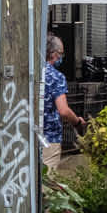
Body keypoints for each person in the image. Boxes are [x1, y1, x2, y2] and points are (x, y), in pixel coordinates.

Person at [42, 34, 86, 172]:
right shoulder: (56, 77)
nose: (61, 57)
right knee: (47, 178)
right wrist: (77, 122)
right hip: (49, 137)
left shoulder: (30, 74)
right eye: (61, 53)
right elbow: (63, 110)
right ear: (54, 54)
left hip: (27, 134)